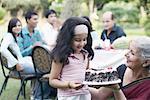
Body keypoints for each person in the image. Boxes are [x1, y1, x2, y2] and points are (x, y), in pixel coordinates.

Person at [49, 17, 94, 100]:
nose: (82, 43)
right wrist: (69, 84)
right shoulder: (62, 56)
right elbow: (52, 80)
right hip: (68, 97)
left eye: (84, 39)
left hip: (84, 94)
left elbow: (86, 73)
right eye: (77, 40)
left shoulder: (85, 54)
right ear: (67, 38)